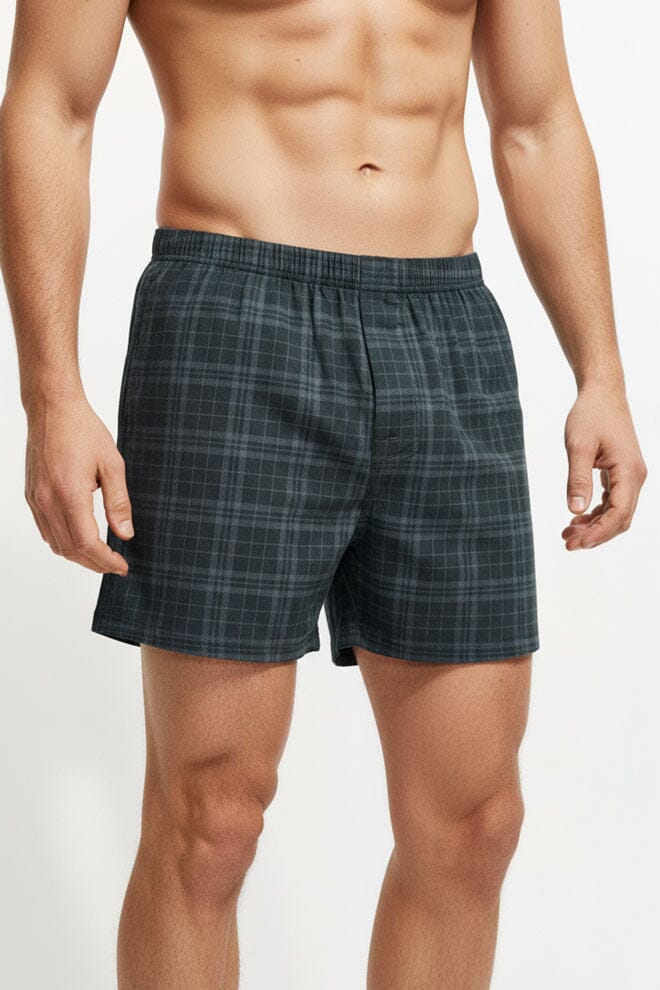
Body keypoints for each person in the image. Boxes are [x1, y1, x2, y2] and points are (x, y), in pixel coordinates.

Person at [0, 0, 647, 986]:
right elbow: (49, 105)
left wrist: (601, 370)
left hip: (445, 326)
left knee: (474, 822)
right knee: (210, 817)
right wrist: (51, 393)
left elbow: (537, 119)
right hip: (232, 315)